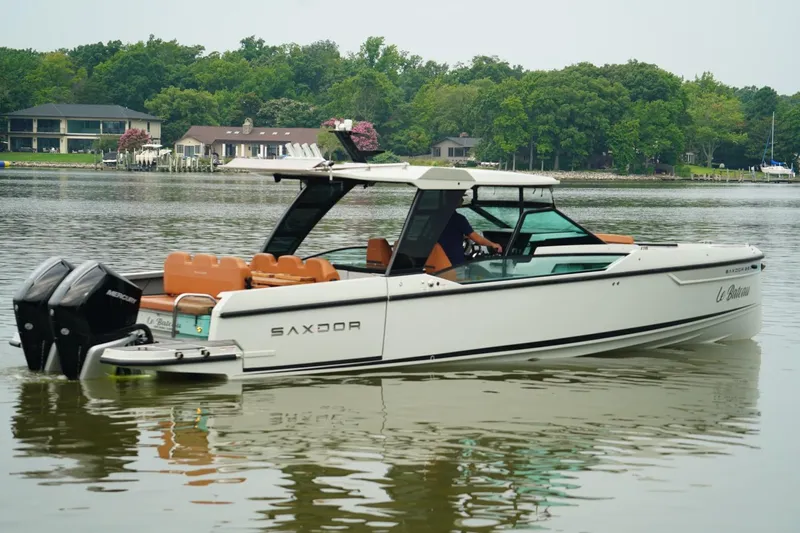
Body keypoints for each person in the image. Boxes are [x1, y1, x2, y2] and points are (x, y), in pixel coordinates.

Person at [437, 193, 503, 266]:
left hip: (437, 261)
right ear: (453, 200)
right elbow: (477, 239)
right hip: (455, 263)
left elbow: (447, 234)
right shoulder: (459, 219)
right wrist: (493, 244)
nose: (462, 200)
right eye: (460, 198)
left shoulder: (436, 216)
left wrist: (463, 236)